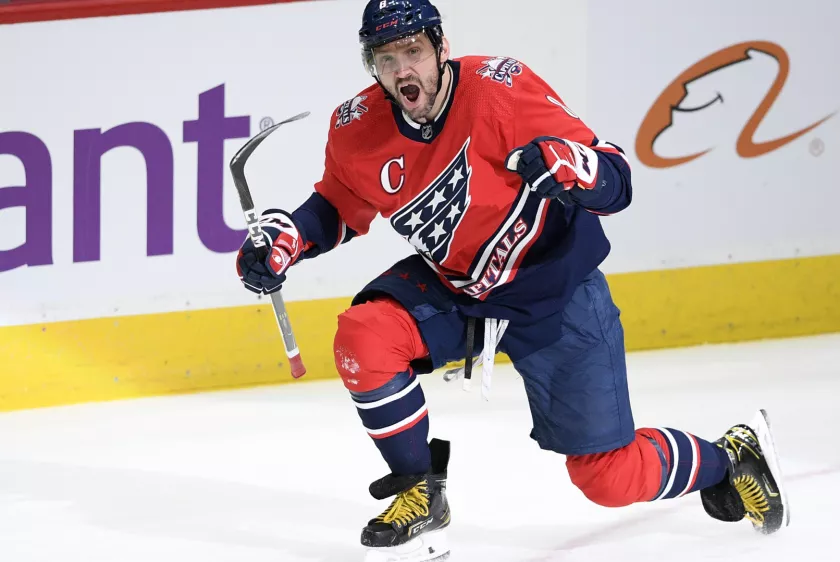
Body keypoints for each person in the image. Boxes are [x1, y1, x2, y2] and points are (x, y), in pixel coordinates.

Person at [236, 1, 789, 560]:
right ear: (372, 67)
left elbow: (616, 178)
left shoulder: (502, 89)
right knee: (364, 336)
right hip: (456, 287)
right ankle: (419, 490)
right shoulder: (357, 128)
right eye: (386, 59)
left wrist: (575, 168)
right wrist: (289, 240)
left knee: (609, 479)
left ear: (440, 47)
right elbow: (337, 206)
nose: (403, 70)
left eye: (413, 52)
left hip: (552, 290)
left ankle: (730, 457)